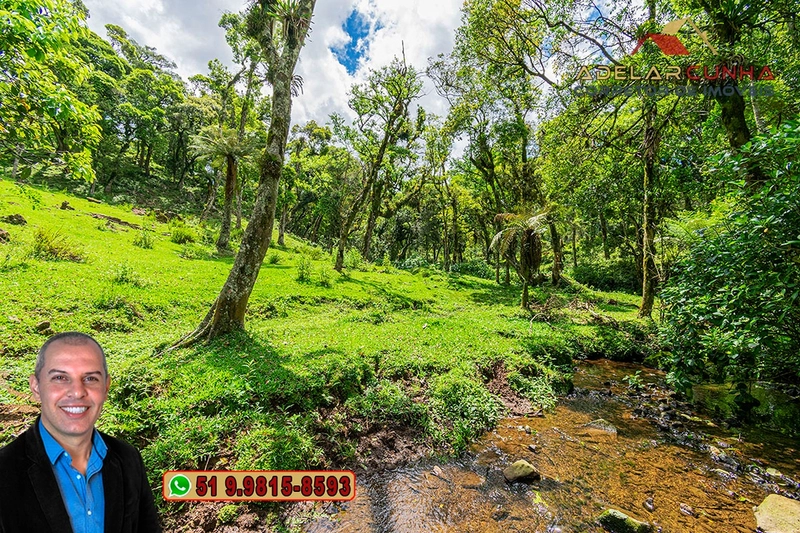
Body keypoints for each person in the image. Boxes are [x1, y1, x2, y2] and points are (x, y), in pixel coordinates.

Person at [0, 332, 161, 533]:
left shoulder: (128, 459)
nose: (77, 392)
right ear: (36, 387)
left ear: (106, 387)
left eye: (90, 378)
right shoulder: (4, 471)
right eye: (60, 377)